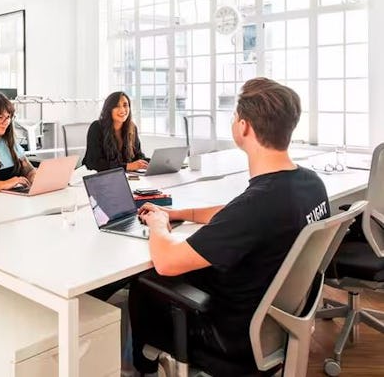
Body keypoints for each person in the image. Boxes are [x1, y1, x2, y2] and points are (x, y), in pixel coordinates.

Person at [130, 78, 330, 374]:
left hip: (231, 336)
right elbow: (236, 214)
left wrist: (159, 223)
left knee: (141, 285)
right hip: (275, 320)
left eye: (235, 116)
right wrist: (179, 213)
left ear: (244, 127)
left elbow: (167, 262)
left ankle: (141, 368)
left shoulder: (259, 204)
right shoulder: (310, 184)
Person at [82, 91, 149, 172]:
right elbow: (94, 163)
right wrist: (127, 166)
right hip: (95, 177)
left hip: (122, 176)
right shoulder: (97, 127)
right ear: (109, 109)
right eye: (117, 106)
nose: (122, 110)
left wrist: (150, 163)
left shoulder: (132, 128)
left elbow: (138, 156)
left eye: (125, 105)